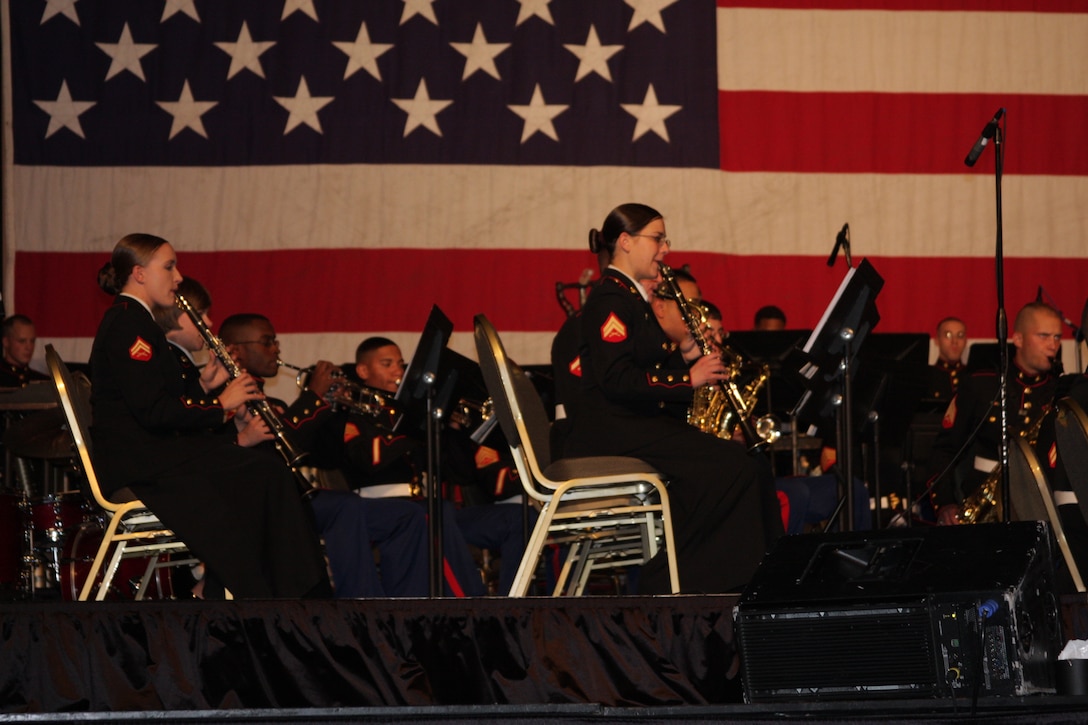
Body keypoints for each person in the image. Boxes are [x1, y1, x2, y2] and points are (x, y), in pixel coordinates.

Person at [90, 233, 331, 598]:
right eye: (169, 267)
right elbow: (152, 412)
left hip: (152, 455)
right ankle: (284, 594)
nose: (178, 277)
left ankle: (240, 588)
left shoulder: (136, 322)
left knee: (260, 466)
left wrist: (204, 386)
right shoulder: (129, 325)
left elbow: (154, 401)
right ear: (139, 274)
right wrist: (220, 406)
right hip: (144, 463)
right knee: (264, 472)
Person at [564, 203, 783, 594]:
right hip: (617, 429)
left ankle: (765, 577)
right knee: (733, 469)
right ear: (627, 243)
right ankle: (684, 583)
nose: (665, 248)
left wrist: (684, 357)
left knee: (749, 463)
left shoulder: (632, 299)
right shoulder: (610, 301)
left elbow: (638, 364)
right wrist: (687, 377)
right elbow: (616, 379)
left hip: (635, 424)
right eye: (658, 238)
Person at [217, 314, 430, 598]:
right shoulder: (226, 399)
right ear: (235, 350)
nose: (276, 349)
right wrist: (314, 397)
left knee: (409, 516)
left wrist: (328, 403)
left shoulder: (275, 403)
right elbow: (278, 446)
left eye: (275, 341)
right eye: (267, 342)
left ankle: (406, 608)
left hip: (291, 499)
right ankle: (362, 605)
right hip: (257, 503)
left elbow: (316, 454)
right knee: (344, 506)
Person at [929, 301, 1062, 526]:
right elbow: (945, 449)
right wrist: (945, 503)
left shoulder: (1059, 391)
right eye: (1043, 336)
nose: (1053, 345)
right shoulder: (982, 385)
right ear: (1018, 339)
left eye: (1057, 337)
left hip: (1042, 504)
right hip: (983, 505)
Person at [0, 315, 49, 387]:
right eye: (22, 341)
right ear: (6, 342)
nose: (29, 347)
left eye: (32, 341)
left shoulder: (45, 382)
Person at [927, 317, 967, 402]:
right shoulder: (927, 377)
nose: (954, 341)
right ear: (937, 340)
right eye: (948, 335)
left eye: (960, 335)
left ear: (965, 341)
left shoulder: (973, 376)